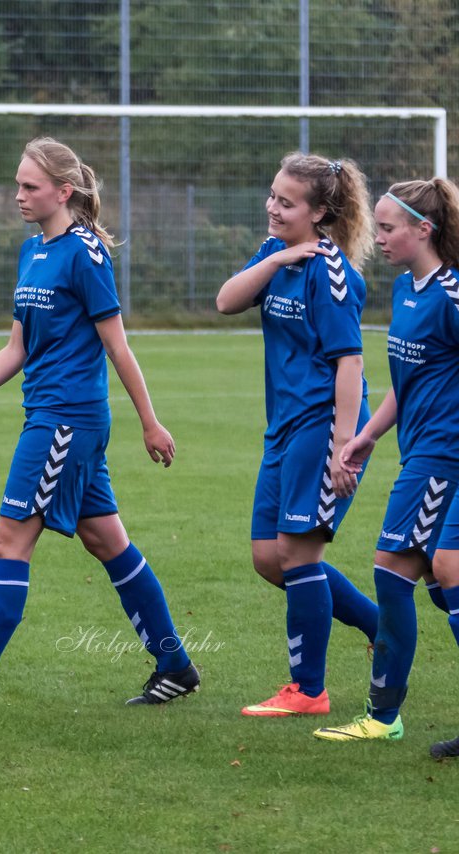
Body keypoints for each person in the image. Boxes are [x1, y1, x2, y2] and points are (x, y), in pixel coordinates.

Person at [0, 137, 197, 716]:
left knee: (10, 541)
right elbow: (18, 346)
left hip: (66, 422)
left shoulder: (86, 255)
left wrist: (150, 422)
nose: (18, 195)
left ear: (63, 191)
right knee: (106, 540)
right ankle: (176, 666)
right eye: (17, 184)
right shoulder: (32, 251)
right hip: (51, 416)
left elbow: (117, 345)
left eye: (30, 186)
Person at [216, 152, 379, 718]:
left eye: (287, 202)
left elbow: (350, 365)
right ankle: (382, 628)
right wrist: (279, 255)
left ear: (320, 211)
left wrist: (343, 447)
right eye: (272, 195)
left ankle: (308, 689)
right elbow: (227, 300)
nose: (272, 207)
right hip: (283, 427)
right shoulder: (278, 254)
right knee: (269, 558)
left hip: (324, 424)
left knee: (298, 554)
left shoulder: (333, 273)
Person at [311, 178, 459, 749]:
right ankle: (385, 713)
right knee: (436, 581)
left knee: (401, 571)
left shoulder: (449, 295)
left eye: (390, 227)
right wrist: (369, 434)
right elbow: (407, 381)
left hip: (443, 457)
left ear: (425, 230)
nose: (381, 237)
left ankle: (383, 714)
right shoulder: (405, 290)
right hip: (418, 451)